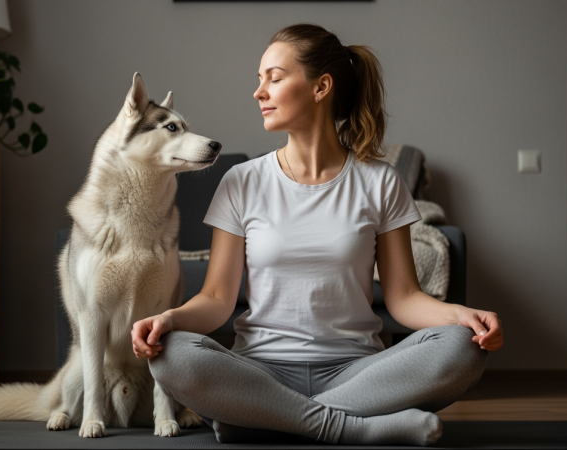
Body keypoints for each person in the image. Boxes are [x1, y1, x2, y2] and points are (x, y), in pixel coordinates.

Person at [131, 23, 503, 446]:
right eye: (259, 80)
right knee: (173, 353)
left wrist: (462, 317)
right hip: (261, 370)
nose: (259, 92)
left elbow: (403, 298)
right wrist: (170, 320)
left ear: (320, 87)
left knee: (462, 346)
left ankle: (261, 419)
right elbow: (217, 300)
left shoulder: (380, 182)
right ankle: (353, 429)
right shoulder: (242, 182)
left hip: (357, 371)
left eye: (274, 78)